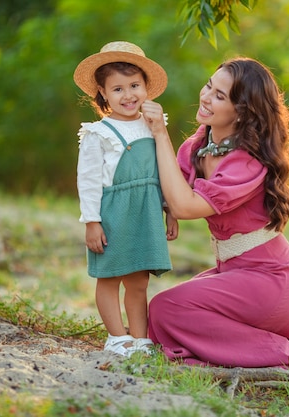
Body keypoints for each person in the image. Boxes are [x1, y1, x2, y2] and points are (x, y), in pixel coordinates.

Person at [141, 57, 289, 373]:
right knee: (167, 310)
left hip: (273, 281)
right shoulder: (199, 145)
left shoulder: (247, 162)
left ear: (242, 113)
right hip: (238, 274)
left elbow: (184, 205)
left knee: (166, 308)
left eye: (220, 96)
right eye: (209, 85)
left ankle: (283, 356)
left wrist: (160, 134)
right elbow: (168, 191)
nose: (206, 97)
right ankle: (264, 346)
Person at [73, 41, 178, 357]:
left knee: (138, 280)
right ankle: (117, 337)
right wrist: (92, 222)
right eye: (117, 89)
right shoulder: (98, 133)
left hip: (146, 211)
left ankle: (140, 337)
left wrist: (169, 210)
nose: (128, 95)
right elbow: (88, 181)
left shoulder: (154, 126)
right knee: (109, 277)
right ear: (103, 94)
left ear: (147, 87)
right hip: (114, 213)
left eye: (134, 85)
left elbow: (164, 172)